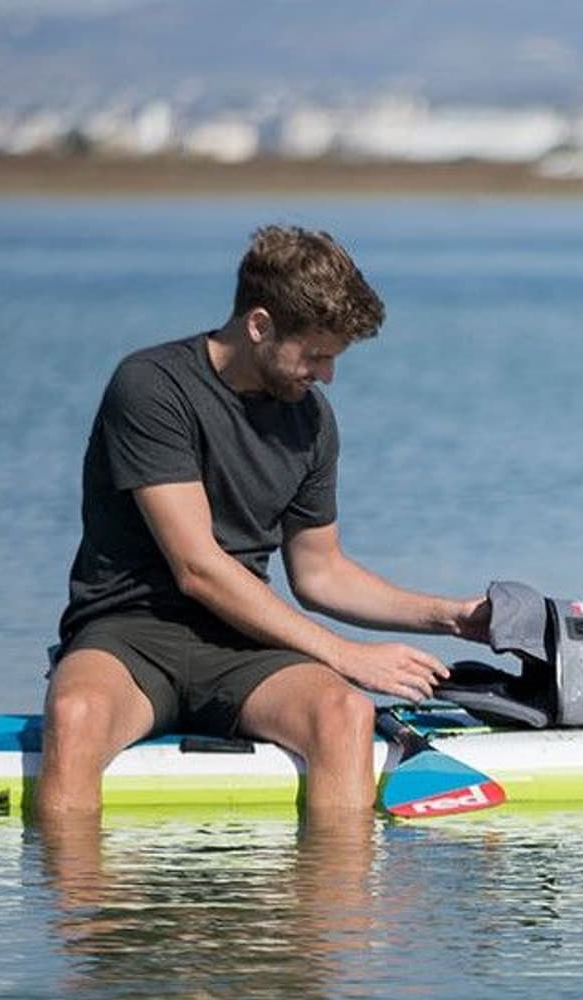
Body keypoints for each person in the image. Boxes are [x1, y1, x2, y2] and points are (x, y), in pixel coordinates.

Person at [36, 224, 489, 824]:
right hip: (129, 636)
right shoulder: (151, 387)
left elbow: (320, 571)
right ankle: (81, 914)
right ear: (259, 326)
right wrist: (343, 653)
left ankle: (331, 914)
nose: (327, 375)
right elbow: (197, 568)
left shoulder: (311, 422)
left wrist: (447, 616)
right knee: (75, 717)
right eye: (317, 355)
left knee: (344, 714)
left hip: (240, 645)